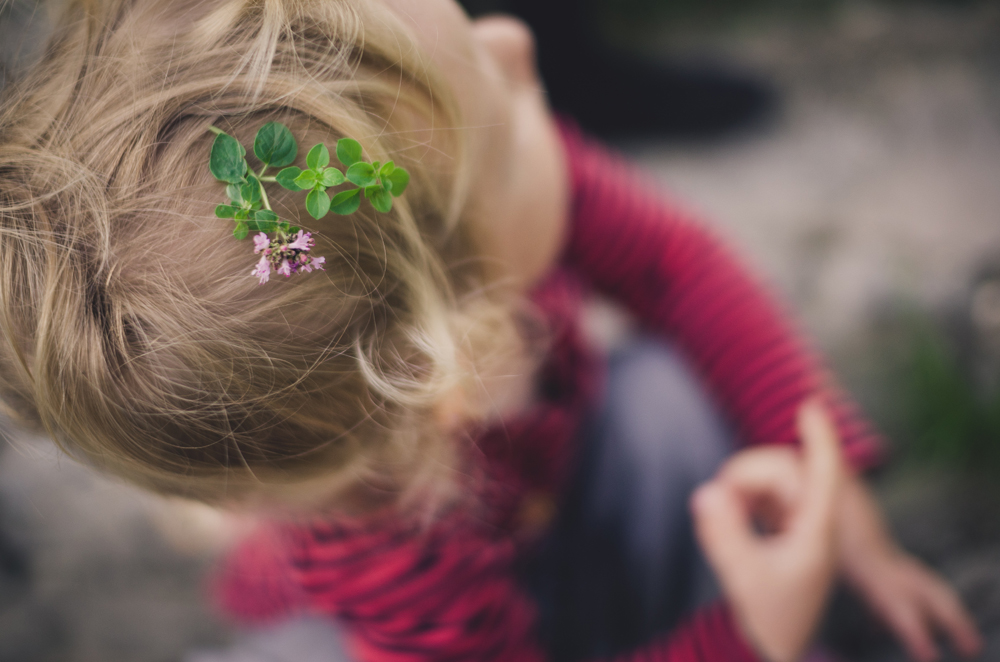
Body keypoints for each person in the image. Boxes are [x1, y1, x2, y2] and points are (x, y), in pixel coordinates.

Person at [0, 1, 983, 661]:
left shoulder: (443, 226)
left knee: (664, 399)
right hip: (410, 628)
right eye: (501, 115)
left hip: (542, 489)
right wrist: (748, 635)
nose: (516, 40)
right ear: (448, 356)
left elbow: (675, 264)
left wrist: (829, 476)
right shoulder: (390, 560)